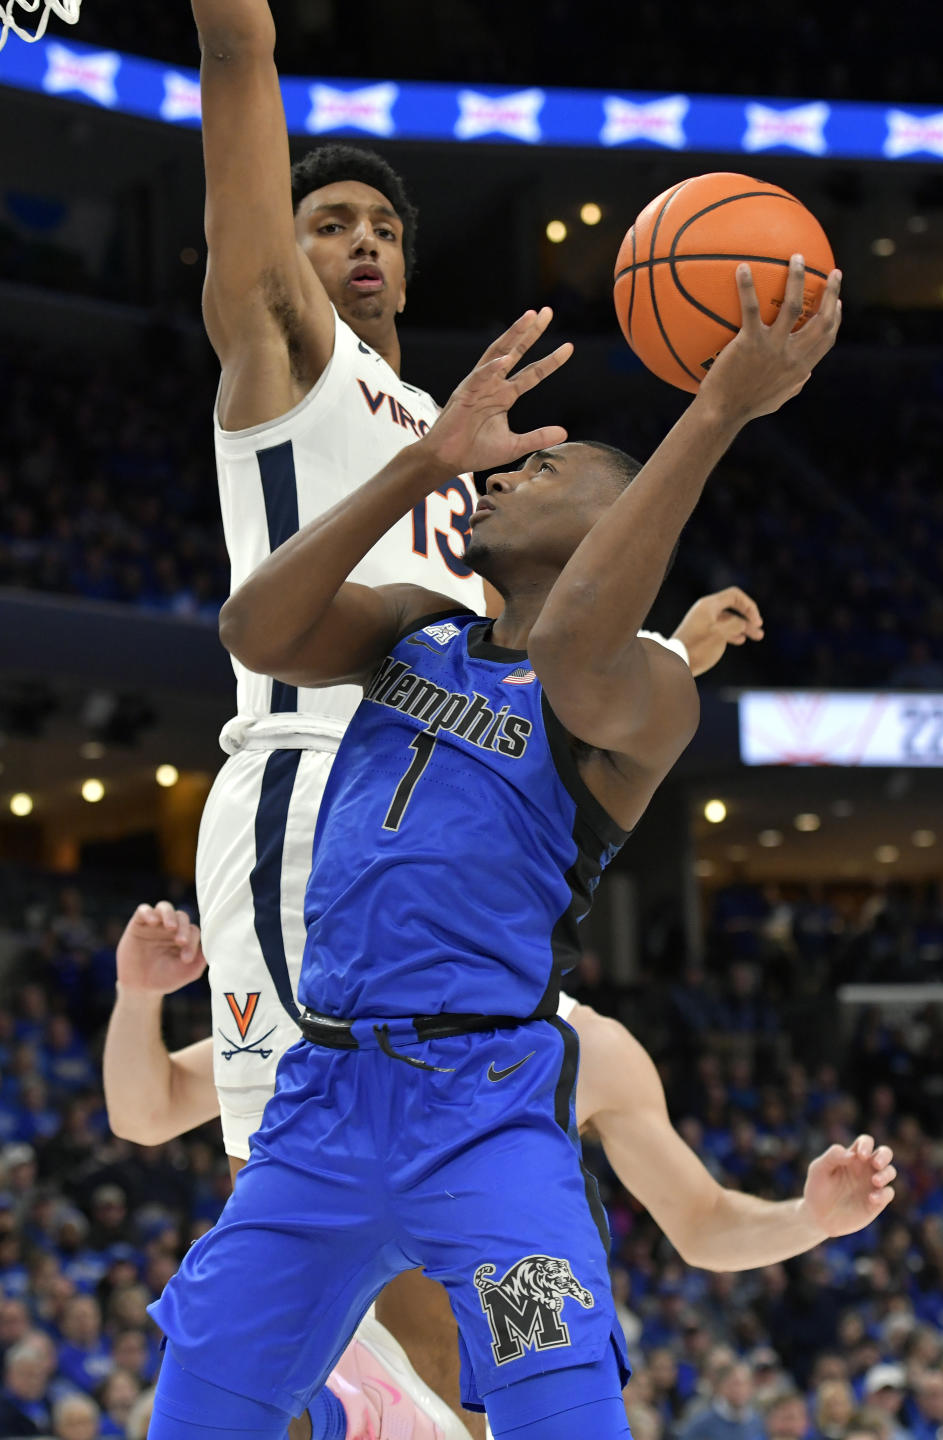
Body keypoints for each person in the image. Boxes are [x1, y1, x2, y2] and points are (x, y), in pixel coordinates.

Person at [141, 270, 852, 1440]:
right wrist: (420, 464)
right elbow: (253, 629)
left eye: (545, 471)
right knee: (200, 1412)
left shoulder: (647, 692)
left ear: (612, 522)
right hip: (319, 1106)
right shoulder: (417, 626)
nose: (506, 472)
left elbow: (578, 633)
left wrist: (716, 409)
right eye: (506, 465)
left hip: (483, 1117)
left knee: (559, 1411)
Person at [184, 0, 744, 1426]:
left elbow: (554, 653)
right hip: (309, 782)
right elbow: (241, 57)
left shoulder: (455, 442)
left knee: (447, 1246)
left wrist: (663, 655)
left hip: (450, 826)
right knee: (309, 1219)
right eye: (325, 221)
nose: (356, 240)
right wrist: (237, 41)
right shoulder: (285, 357)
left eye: (379, 221)